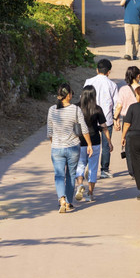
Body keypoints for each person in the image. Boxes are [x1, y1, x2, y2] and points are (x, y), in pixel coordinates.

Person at [47, 83, 92, 213]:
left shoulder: (52, 109)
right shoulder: (75, 109)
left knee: (59, 175)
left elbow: (49, 131)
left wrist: (55, 143)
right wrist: (89, 144)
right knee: (71, 175)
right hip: (73, 147)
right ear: (68, 95)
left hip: (57, 148)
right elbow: (84, 129)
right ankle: (68, 202)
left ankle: (61, 199)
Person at [84, 59, 119, 179]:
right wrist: (116, 119)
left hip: (90, 117)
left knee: (89, 142)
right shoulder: (112, 85)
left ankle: (87, 164)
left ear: (97, 70)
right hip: (106, 118)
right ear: (109, 72)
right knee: (106, 144)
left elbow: (84, 98)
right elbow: (116, 104)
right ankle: (104, 169)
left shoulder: (89, 81)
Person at [74, 85, 108, 202]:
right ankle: (90, 193)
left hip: (80, 141)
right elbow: (104, 127)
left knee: (80, 165)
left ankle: (80, 185)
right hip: (94, 141)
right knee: (93, 168)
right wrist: (109, 141)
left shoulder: (76, 108)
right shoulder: (97, 109)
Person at [113, 66, 140, 177]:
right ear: (138, 76)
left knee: (128, 145)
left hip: (127, 120)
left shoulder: (123, 90)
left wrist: (115, 119)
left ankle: (132, 171)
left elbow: (119, 106)